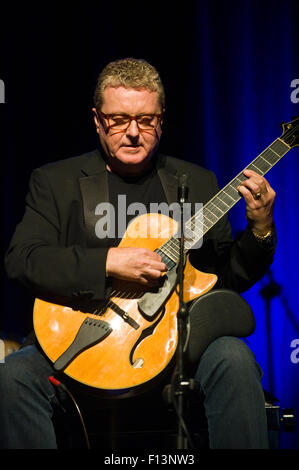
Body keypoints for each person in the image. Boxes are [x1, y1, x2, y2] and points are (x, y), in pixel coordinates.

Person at [1, 58, 276, 449]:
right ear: (98, 120)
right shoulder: (56, 182)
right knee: (12, 377)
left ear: (161, 122)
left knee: (233, 357)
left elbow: (225, 278)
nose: (133, 132)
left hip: (175, 348)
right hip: (78, 340)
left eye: (146, 121)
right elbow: (23, 259)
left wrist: (261, 227)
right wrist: (109, 263)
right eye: (118, 119)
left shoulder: (196, 182)